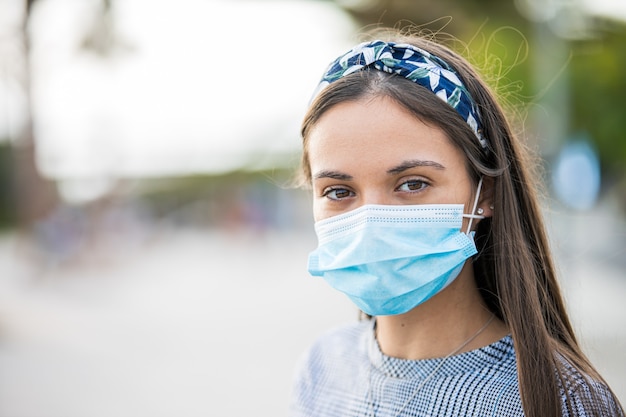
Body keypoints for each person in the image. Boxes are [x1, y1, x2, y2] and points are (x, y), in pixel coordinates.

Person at [289, 28, 624, 417]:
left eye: (412, 184)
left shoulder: (557, 400)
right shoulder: (321, 368)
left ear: (486, 193)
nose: (369, 221)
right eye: (338, 191)